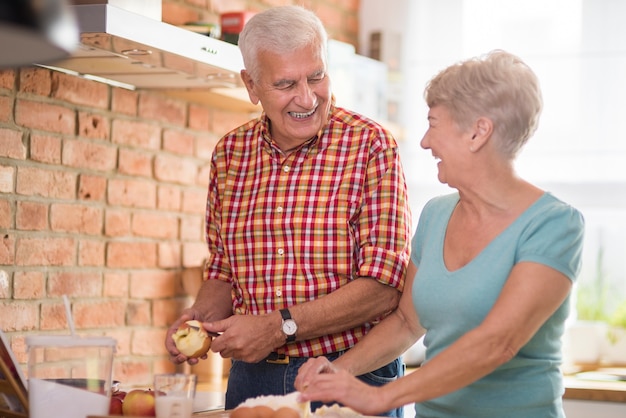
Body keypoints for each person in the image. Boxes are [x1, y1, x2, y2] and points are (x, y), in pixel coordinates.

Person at [295, 50, 585, 418]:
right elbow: (406, 322)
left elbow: (499, 342)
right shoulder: (436, 215)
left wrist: (384, 396)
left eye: (433, 123)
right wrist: (339, 370)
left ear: (478, 132)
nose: (424, 142)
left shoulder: (554, 224)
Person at [164, 5, 412, 417]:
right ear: (251, 85)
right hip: (252, 379)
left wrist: (279, 326)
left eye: (316, 76)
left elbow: (383, 286)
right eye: (285, 84)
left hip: (351, 372)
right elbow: (224, 269)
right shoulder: (230, 154)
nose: (306, 97)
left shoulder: (371, 146)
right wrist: (200, 319)